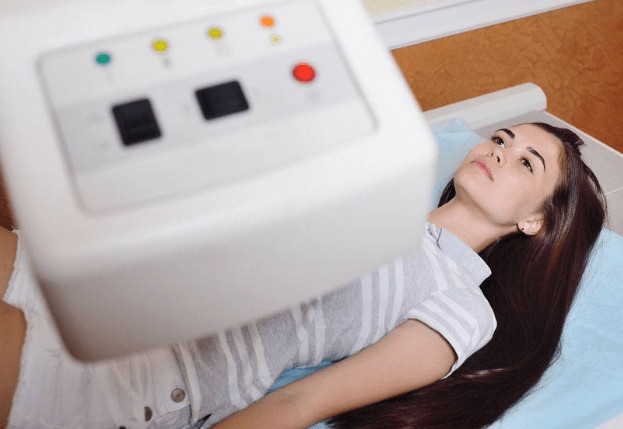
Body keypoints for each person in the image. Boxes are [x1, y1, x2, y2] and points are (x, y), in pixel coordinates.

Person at [0, 122, 606, 429]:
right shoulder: (369, 203)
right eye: (500, 137)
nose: (498, 150)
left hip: (146, 369)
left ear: (535, 220)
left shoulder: (462, 302)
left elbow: (306, 398)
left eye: (526, 162)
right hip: (100, 284)